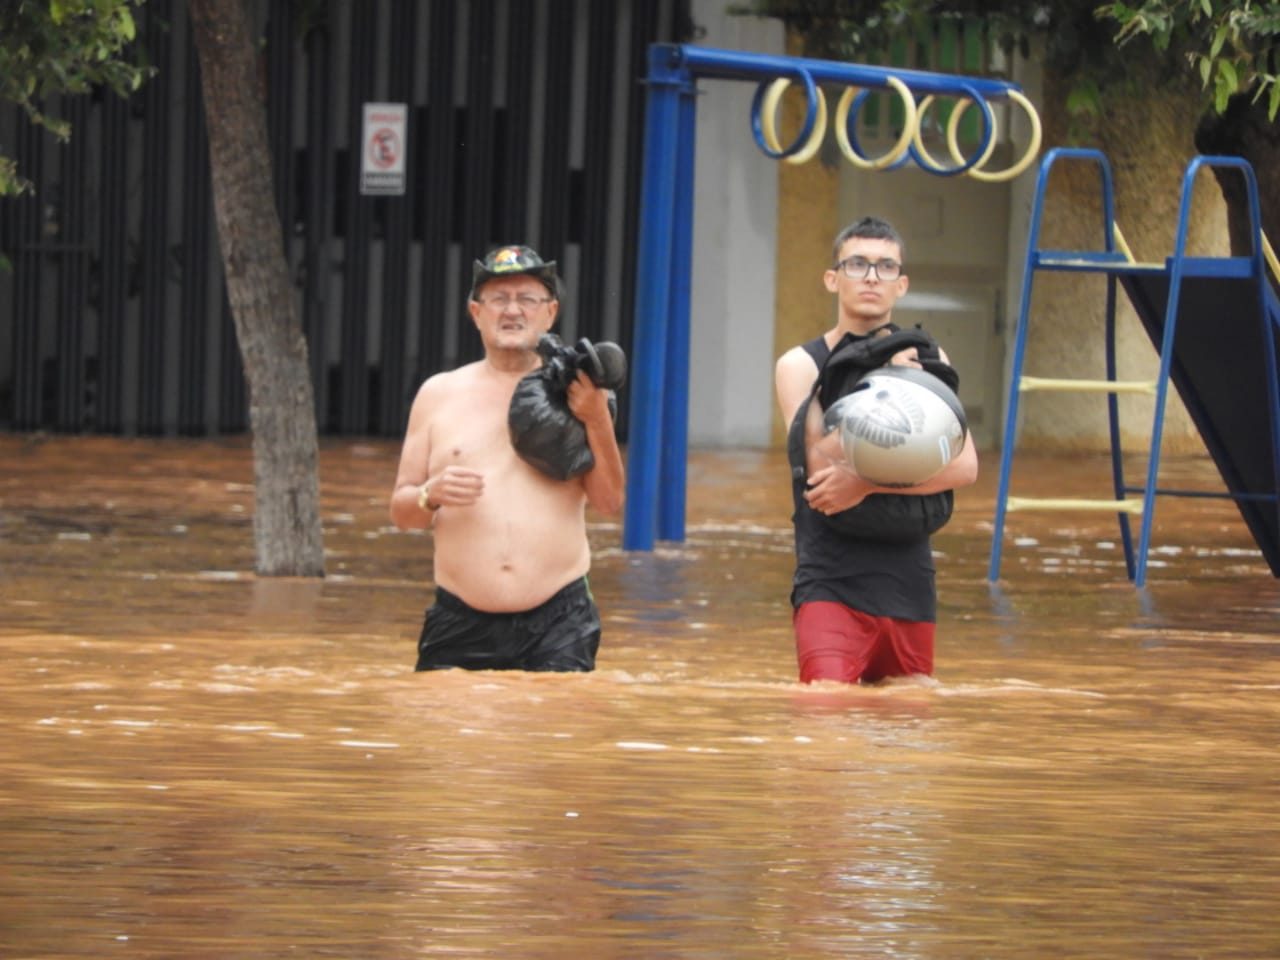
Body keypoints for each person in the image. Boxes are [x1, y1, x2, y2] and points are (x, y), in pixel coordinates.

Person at [389, 244, 625, 672]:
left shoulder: (579, 393)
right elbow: (403, 515)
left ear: (550, 312)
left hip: (559, 619)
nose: (512, 310)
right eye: (499, 298)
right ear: (476, 312)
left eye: (527, 299)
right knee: (437, 715)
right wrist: (430, 494)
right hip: (459, 618)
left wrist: (596, 418)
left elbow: (610, 502)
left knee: (557, 715)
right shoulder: (437, 394)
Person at [773, 217, 979, 685]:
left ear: (901, 285)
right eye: (858, 264)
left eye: (886, 267)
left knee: (906, 716)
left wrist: (866, 484)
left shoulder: (929, 358)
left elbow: (964, 466)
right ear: (833, 278)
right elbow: (820, 465)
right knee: (824, 709)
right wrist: (877, 375)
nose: (871, 277)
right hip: (831, 579)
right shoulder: (800, 365)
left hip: (910, 583)